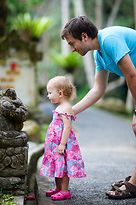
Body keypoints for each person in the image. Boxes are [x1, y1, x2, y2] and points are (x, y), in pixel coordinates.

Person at [61, 15, 136, 200]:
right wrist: (71, 111)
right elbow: (98, 89)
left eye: (72, 43)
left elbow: (132, 75)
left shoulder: (109, 40)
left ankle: (134, 184)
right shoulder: (99, 53)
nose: (72, 49)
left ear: (84, 36)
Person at [40, 76, 86, 201]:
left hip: (62, 143)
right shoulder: (60, 106)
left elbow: (67, 127)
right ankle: (58, 188)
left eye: (50, 93)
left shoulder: (65, 108)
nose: (48, 96)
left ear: (60, 93)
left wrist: (62, 144)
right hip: (55, 144)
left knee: (63, 166)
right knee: (57, 165)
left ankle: (64, 191)